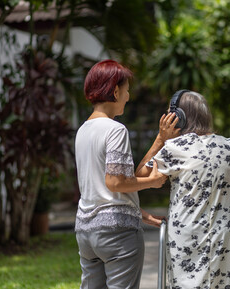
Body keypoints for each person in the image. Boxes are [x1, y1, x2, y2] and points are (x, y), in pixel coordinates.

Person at [137, 89, 230, 289]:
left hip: (186, 238)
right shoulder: (227, 146)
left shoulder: (173, 149)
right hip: (225, 239)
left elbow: (140, 174)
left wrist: (160, 138)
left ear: (179, 118)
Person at [74, 59, 179, 289]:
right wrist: (151, 182)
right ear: (114, 90)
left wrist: (141, 215)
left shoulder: (82, 131)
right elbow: (115, 182)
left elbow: (100, 191)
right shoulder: (115, 129)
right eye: (127, 90)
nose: (128, 96)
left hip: (86, 234)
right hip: (117, 235)